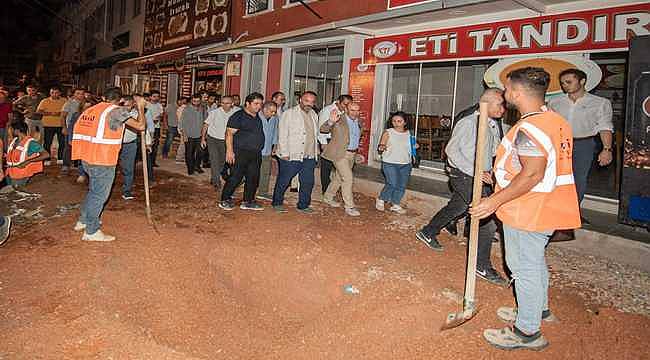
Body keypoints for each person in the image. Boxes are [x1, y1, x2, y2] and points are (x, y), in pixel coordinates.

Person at [470, 67, 580, 351]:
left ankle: (527, 332)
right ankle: (538, 310)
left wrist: (493, 201)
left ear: (517, 93)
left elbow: (532, 174)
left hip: (528, 209)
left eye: (507, 90)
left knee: (523, 267)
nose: (505, 95)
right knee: (535, 262)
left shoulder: (529, 128)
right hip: (548, 206)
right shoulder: (555, 120)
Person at [415, 88, 508, 286]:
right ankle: (481, 265)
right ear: (488, 103)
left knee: (458, 207)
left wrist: (491, 169)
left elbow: (492, 150)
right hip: (463, 174)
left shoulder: (492, 123)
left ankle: (428, 232)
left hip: (479, 176)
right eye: (500, 104)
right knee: (487, 217)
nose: (503, 109)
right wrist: (475, 171)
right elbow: (451, 151)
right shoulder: (468, 122)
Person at [71, 87, 146, 242]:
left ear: (104, 97)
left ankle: (83, 221)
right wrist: (140, 107)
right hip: (102, 160)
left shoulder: (92, 110)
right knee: (99, 195)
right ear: (120, 100)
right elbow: (141, 126)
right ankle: (91, 231)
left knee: (93, 192)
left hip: (86, 157)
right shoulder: (116, 111)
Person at [548, 68, 614, 206]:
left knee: (578, 179)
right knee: (555, 177)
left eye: (568, 82)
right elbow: (549, 124)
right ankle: (556, 209)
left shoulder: (600, 103)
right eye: (563, 83)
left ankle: (573, 211)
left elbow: (605, 126)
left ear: (582, 81)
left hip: (584, 144)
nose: (565, 85)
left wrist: (606, 149)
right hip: (558, 143)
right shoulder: (555, 102)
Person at [271, 91, 320, 213]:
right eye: (306, 101)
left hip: (309, 155)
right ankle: (277, 202)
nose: (309, 104)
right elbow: (282, 134)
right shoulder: (289, 113)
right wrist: (285, 153)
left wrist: (316, 150)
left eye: (312, 102)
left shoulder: (314, 114)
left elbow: (314, 135)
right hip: (292, 154)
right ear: (300, 100)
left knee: (308, 182)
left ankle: (303, 205)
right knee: (285, 179)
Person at [219, 92, 266, 211]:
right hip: (240, 152)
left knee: (253, 177)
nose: (258, 106)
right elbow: (229, 133)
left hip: (255, 153)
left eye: (260, 104)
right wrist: (229, 152)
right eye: (256, 104)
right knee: (235, 177)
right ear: (247, 103)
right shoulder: (238, 116)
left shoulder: (257, 117)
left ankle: (248, 201)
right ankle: (225, 199)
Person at [320, 102, 362, 217]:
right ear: (346, 110)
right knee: (348, 178)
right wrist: (330, 121)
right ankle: (349, 206)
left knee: (339, 178)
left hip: (351, 154)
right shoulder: (338, 118)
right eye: (352, 110)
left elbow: (354, 137)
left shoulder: (358, 121)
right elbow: (323, 129)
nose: (355, 113)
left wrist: (357, 153)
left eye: (357, 110)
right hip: (339, 154)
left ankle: (327, 197)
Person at [376, 111, 414, 215]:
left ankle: (395, 204)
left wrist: (415, 147)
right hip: (389, 162)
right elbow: (381, 145)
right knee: (392, 183)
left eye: (399, 121)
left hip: (406, 163)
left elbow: (410, 147)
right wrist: (381, 147)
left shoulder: (409, 133)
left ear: (405, 122)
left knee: (401, 185)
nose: (396, 123)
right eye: (394, 121)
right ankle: (381, 199)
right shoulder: (388, 132)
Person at [318, 95, 353, 194]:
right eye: (344, 104)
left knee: (338, 167)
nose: (346, 106)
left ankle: (332, 188)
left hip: (339, 141)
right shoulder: (327, 110)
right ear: (338, 102)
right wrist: (323, 143)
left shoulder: (345, 112)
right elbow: (321, 127)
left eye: (348, 104)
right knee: (326, 167)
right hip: (328, 140)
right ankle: (325, 189)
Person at [201, 95, 237, 189]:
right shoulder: (214, 112)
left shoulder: (236, 112)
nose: (225, 105)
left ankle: (214, 177)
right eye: (223, 103)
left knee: (222, 161)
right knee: (214, 160)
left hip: (226, 140)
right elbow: (206, 125)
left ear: (232, 104)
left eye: (227, 103)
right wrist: (203, 138)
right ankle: (216, 181)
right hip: (213, 139)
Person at [4, 120, 49, 189]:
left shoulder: (31, 143)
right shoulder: (14, 141)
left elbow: (46, 155)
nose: (9, 131)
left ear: (17, 130)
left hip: (21, 174)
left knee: (15, 193)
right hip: (10, 172)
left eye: (11, 129)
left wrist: (28, 161)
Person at [118, 96, 143, 200]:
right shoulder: (116, 113)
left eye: (129, 105)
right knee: (110, 167)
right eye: (124, 105)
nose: (126, 108)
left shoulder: (137, 114)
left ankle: (127, 190)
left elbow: (142, 126)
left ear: (133, 104)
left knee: (128, 168)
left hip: (130, 144)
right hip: (116, 144)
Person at [36, 86, 67, 166]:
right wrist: (50, 113)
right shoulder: (45, 101)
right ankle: (47, 159)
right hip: (48, 125)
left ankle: (60, 158)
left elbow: (67, 111)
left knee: (62, 142)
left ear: (60, 93)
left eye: (56, 92)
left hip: (61, 124)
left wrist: (60, 114)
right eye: (52, 92)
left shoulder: (64, 100)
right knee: (47, 143)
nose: (54, 94)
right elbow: (38, 111)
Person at [256, 101, 278, 200]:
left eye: (275, 111)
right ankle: (233, 189)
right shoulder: (256, 117)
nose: (273, 113)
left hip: (267, 150)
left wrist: (275, 145)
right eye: (272, 111)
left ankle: (263, 192)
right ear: (264, 109)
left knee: (265, 172)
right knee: (246, 172)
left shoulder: (274, 118)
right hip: (255, 150)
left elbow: (275, 132)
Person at [179, 94, 205, 176]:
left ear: (200, 100)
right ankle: (190, 169)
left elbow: (205, 121)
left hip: (200, 135)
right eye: (194, 101)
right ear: (191, 101)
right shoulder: (186, 109)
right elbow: (182, 123)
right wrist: (184, 135)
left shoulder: (203, 109)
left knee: (200, 152)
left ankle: (197, 166)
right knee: (189, 153)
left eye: (198, 101)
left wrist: (205, 134)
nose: (196, 102)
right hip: (189, 135)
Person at [61, 88, 85, 173]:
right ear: (74, 94)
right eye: (78, 93)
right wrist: (64, 127)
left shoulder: (85, 103)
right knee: (68, 147)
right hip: (70, 128)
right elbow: (63, 116)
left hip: (82, 130)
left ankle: (78, 165)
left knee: (80, 147)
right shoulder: (69, 103)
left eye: (82, 93)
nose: (80, 95)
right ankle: (65, 165)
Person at [146, 90, 164, 172]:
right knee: (147, 144)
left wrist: (158, 118)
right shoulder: (146, 105)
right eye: (154, 96)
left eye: (157, 96)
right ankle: (146, 161)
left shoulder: (159, 105)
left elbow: (161, 114)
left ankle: (152, 161)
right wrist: (150, 121)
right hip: (147, 128)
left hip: (156, 127)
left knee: (155, 144)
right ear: (150, 97)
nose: (156, 98)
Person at [175, 97, 189, 163]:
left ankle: (181, 157)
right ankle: (179, 157)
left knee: (184, 143)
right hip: (184, 128)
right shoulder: (184, 109)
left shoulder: (179, 109)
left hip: (182, 128)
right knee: (183, 143)